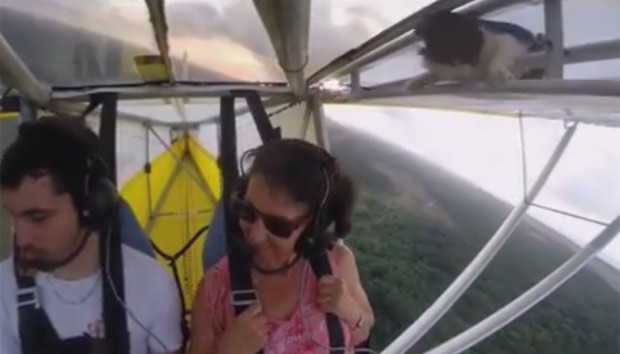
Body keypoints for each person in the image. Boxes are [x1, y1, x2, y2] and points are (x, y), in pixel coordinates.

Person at [0, 115, 183, 354]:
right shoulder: (3, 289)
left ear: (92, 205)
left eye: (38, 218)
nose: (21, 238)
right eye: (13, 216)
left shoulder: (152, 284)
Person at [188, 138, 375, 354]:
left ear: (314, 226)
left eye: (278, 226)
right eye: (246, 211)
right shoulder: (214, 292)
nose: (256, 236)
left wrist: (351, 312)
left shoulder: (338, 264)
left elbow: (364, 328)